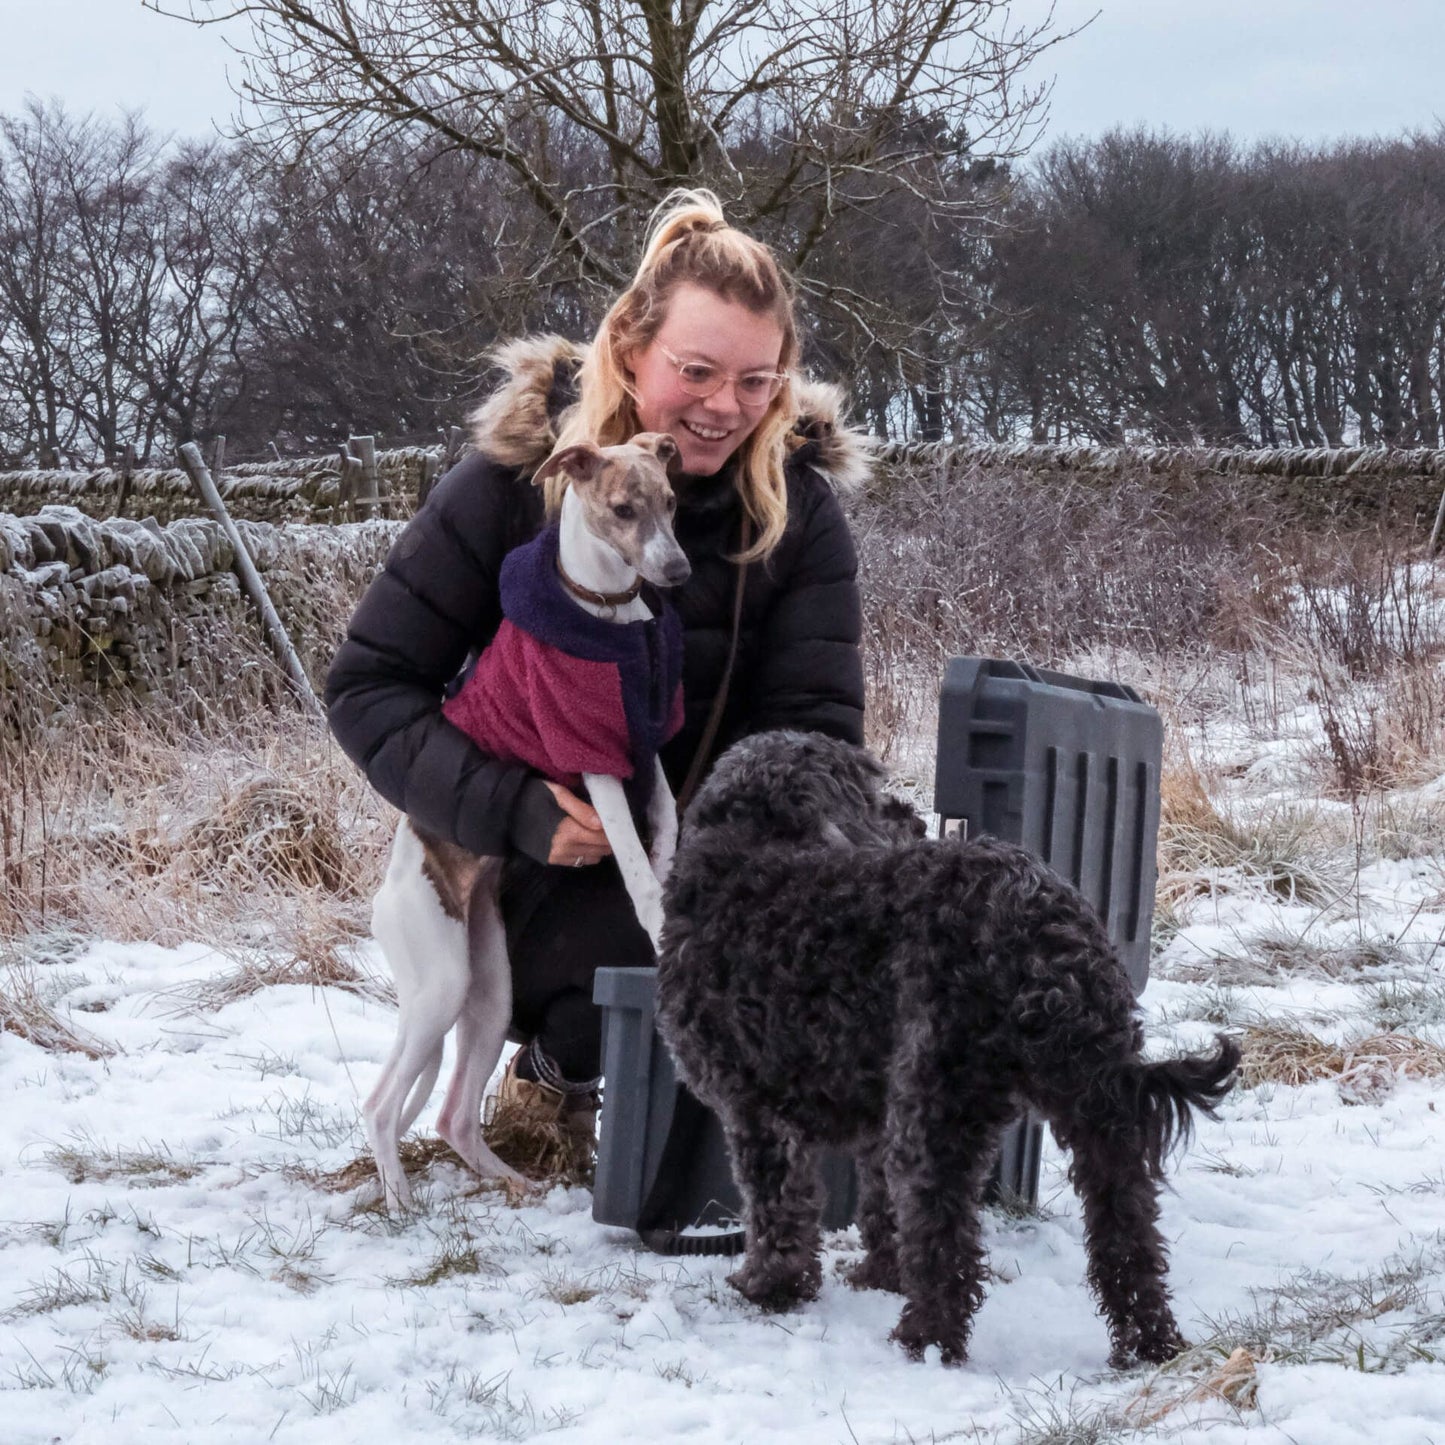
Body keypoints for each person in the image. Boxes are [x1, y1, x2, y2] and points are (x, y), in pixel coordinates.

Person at [325, 189, 872, 1170]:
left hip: (698, 842)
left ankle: (771, 1128)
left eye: (757, 380)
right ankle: (558, 1077)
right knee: (621, 942)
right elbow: (369, 686)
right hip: (525, 872)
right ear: (628, 349)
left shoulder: (799, 514)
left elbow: (818, 729)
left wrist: (748, 859)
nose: (723, 406)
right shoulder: (514, 479)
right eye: (695, 372)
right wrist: (510, 807)